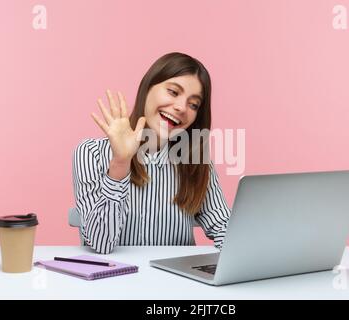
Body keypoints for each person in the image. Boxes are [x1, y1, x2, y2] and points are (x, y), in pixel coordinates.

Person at [73, 52, 231, 254]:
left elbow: (223, 227)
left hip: (178, 282)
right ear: (147, 89)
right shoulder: (91, 152)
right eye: (173, 92)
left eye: (193, 104)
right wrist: (121, 163)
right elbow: (101, 244)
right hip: (113, 282)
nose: (181, 107)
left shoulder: (195, 161)